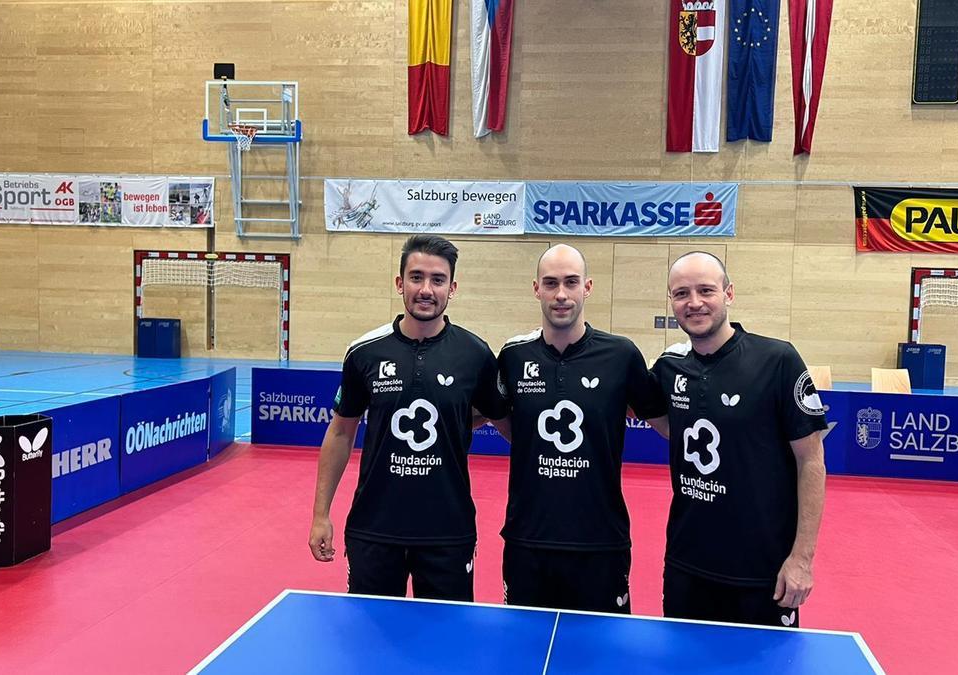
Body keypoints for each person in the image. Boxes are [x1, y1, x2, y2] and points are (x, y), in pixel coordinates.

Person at [309, 234, 509, 601]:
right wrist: (320, 514)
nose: (426, 289)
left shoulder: (476, 354)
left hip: (448, 532)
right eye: (416, 277)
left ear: (453, 287)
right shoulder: (364, 353)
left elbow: (507, 423)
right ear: (400, 283)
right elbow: (340, 433)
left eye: (438, 279)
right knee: (370, 644)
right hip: (374, 529)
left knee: (446, 643)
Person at [649, 251, 827, 628]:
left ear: (728, 294)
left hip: (762, 571)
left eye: (706, 290)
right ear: (671, 302)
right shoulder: (668, 368)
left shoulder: (777, 360)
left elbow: (811, 461)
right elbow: (659, 420)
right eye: (681, 293)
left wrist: (801, 559)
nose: (694, 303)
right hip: (686, 564)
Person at [496, 244, 666, 613]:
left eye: (571, 283)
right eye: (551, 283)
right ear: (536, 288)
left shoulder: (621, 355)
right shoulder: (512, 356)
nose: (561, 294)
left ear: (587, 287)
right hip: (527, 540)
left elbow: (668, 424)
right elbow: (500, 419)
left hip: (601, 541)